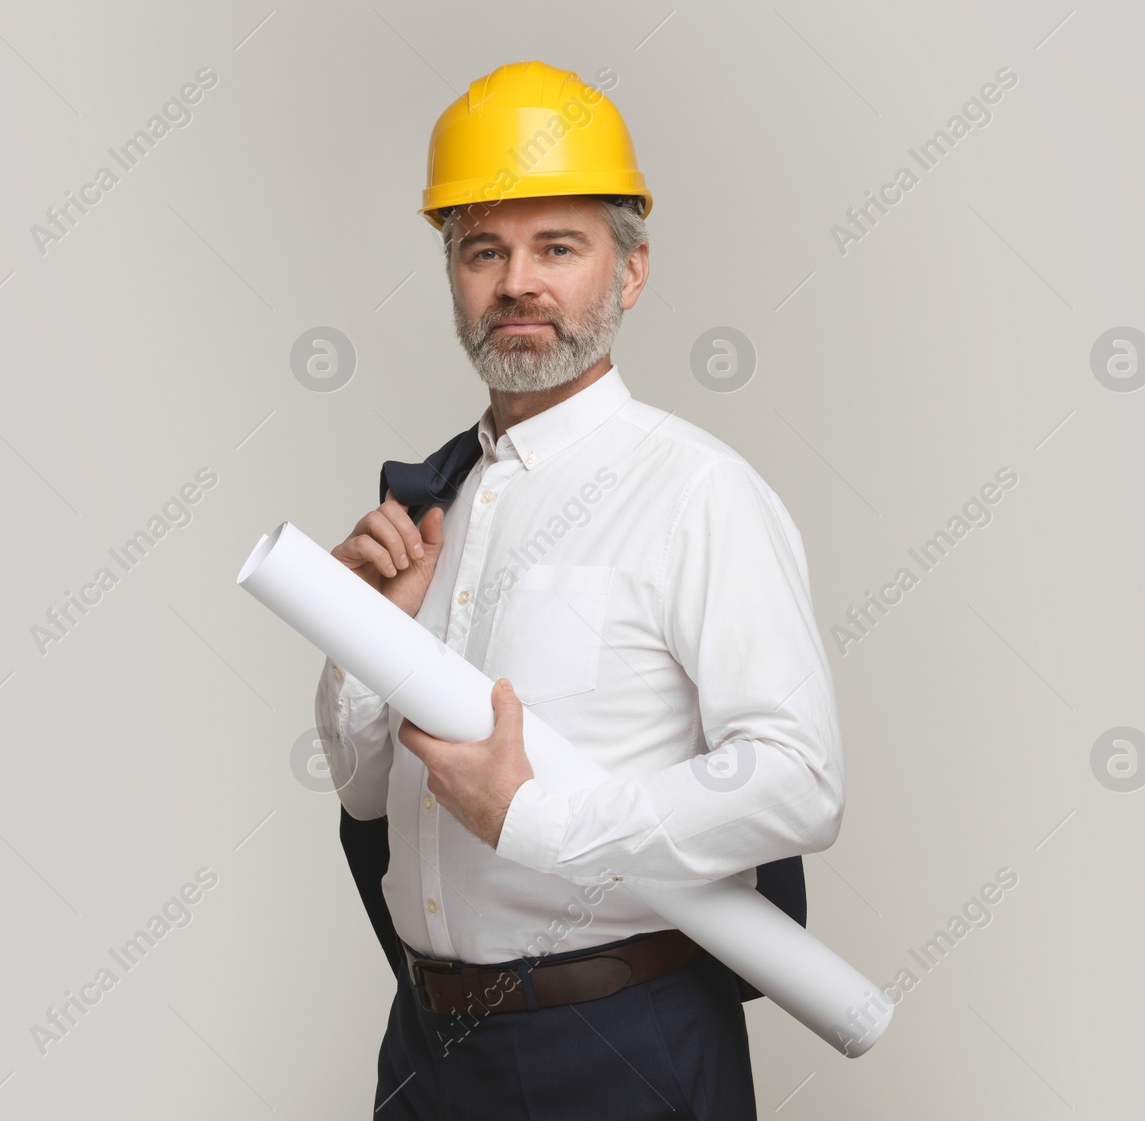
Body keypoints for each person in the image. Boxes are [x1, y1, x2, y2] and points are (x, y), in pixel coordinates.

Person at [313, 60, 845, 1119]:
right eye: (484, 251)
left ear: (630, 272)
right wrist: (364, 636)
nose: (517, 281)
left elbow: (799, 779)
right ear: (455, 274)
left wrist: (539, 817)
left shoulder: (698, 493)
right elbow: (370, 793)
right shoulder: (432, 502)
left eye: (558, 247)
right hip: (426, 1047)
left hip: (622, 1046)